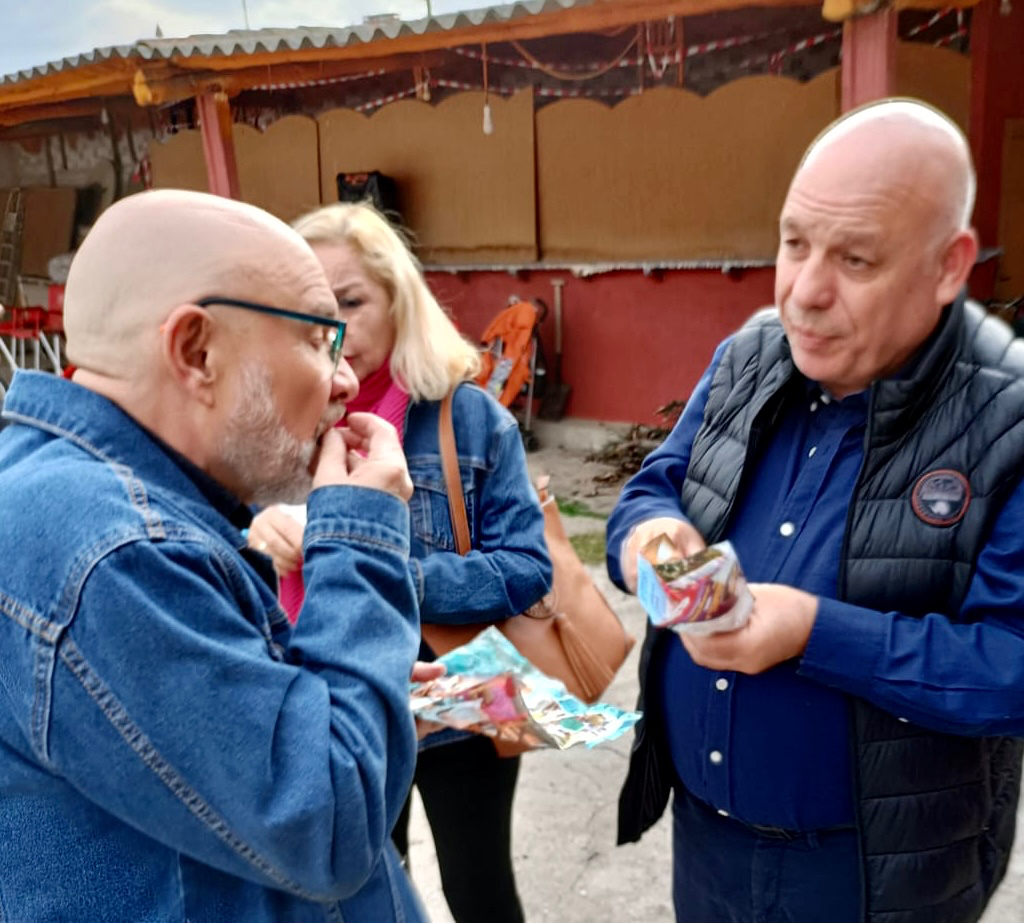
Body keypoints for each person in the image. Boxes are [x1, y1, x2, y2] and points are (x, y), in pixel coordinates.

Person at [607, 98, 1024, 923]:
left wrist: (812, 632)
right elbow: (651, 490)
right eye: (793, 242)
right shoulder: (746, 358)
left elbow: (1011, 668)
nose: (804, 291)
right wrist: (656, 542)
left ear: (949, 265)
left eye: (857, 260)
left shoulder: (1006, 423)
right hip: (705, 842)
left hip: (867, 878)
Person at [0, 189, 436, 922]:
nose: (345, 380)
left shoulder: (94, 501)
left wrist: (347, 696)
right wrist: (360, 531)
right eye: (316, 338)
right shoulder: (114, 554)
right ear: (196, 350)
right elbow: (327, 825)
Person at [246, 201, 553, 923]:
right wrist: (259, 530)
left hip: (460, 705)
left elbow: (527, 568)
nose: (334, 334)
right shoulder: (276, 418)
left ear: (398, 301)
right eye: (312, 311)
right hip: (325, 706)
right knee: (363, 896)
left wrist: (381, 561)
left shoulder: (467, 416)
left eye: (350, 302)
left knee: (479, 891)